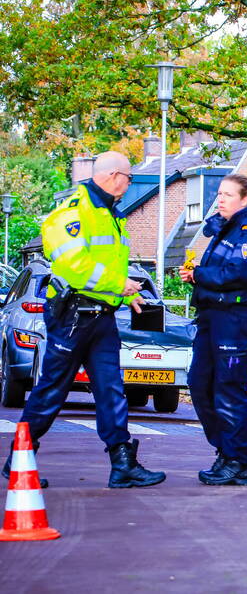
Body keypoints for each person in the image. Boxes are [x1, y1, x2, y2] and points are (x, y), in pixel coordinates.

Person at [3, 152, 165, 488]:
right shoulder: (74, 212)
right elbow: (75, 267)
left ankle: (123, 464)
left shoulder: (109, 212)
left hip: (101, 316)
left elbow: (106, 264)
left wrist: (127, 294)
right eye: (129, 177)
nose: (130, 184)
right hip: (73, 317)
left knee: (111, 390)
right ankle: (18, 458)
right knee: (51, 389)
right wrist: (119, 284)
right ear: (113, 175)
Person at [179, 174, 247, 486]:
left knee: (228, 390)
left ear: (245, 199)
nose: (220, 199)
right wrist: (197, 275)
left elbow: (240, 272)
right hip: (212, 315)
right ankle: (225, 450)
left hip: (234, 318)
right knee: (199, 384)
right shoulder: (226, 229)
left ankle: (236, 461)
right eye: (218, 194)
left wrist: (200, 275)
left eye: (227, 195)